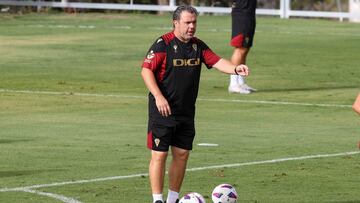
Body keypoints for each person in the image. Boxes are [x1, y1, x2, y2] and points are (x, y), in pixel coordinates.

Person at [141, 5, 250, 203]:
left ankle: (172, 199)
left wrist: (236, 69)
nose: (192, 27)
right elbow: (146, 71)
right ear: (176, 23)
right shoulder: (162, 44)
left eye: (194, 22)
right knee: (159, 155)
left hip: (186, 111)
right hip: (162, 110)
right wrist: (158, 96)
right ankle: (157, 200)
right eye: (187, 23)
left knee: (182, 154)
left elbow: (216, 61)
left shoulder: (197, 46)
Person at [228, 0, 257, 94]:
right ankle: (233, 84)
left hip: (249, 12)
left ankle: (240, 82)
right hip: (242, 13)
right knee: (240, 48)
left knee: (245, 48)